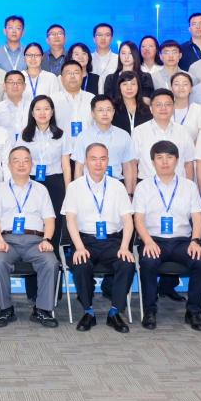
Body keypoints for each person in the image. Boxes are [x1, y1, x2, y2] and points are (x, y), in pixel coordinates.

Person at [132, 140, 201, 331]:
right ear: (152, 161)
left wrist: (196, 241)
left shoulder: (189, 186)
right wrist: (148, 241)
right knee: (148, 262)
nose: (164, 162)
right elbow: (138, 219)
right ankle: (150, 311)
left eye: (169, 157)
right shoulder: (143, 187)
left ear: (177, 160)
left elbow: (198, 218)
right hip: (153, 240)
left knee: (200, 262)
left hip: (183, 241)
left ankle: (193, 312)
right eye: (159, 157)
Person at [63, 143, 136, 333]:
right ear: (86, 161)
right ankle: (88, 312)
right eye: (93, 159)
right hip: (85, 241)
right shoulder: (75, 187)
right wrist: (79, 247)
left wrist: (125, 247)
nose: (98, 163)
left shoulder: (117, 186)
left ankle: (115, 312)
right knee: (81, 263)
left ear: (108, 161)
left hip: (112, 241)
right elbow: (70, 220)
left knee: (126, 263)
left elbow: (128, 220)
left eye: (102, 159)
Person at [0, 146, 60, 328]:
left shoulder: (41, 189)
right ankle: (6, 309)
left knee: (50, 262)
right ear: (9, 165)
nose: (21, 164)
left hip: (35, 241)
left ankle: (42, 310)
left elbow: (49, 219)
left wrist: (47, 239)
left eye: (26, 160)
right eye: (16, 161)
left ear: (31, 164)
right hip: (7, 241)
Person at [68, 96, 136, 193]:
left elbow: (128, 167)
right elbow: (79, 167)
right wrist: (79, 192)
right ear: (93, 114)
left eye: (108, 110)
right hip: (90, 186)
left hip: (116, 185)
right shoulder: (83, 136)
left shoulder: (124, 135)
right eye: (100, 110)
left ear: (113, 112)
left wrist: (129, 193)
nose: (105, 113)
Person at [15, 96, 71, 212]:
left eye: (46, 109)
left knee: (55, 217)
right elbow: (17, 160)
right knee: (33, 217)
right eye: (38, 109)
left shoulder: (61, 135)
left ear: (52, 112)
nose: (42, 113)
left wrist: (68, 192)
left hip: (55, 181)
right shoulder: (24, 135)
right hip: (31, 180)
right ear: (32, 113)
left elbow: (66, 166)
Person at [132, 90, 196, 182]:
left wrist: (189, 186)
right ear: (151, 108)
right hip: (147, 185)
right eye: (158, 105)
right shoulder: (139, 131)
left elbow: (188, 163)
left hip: (178, 185)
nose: (163, 108)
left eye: (168, 104)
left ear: (173, 107)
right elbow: (133, 163)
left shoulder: (183, 131)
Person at [50, 60, 94, 142]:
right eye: (68, 73)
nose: (72, 76)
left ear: (82, 76)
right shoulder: (52, 100)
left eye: (76, 73)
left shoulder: (92, 98)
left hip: (87, 146)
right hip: (60, 146)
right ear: (62, 78)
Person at [0, 70, 31, 141]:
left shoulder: (33, 107)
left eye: (19, 82)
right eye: (11, 82)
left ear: (24, 86)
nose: (15, 85)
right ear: (4, 86)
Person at [171, 72, 201, 143]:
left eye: (185, 84)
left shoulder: (199, 110)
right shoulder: (165, 109)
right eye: (176, 84)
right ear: (171, 88)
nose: (181, 87)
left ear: (191, 88)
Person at [113, 71, 153, 135]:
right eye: (125, 84)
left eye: (133, 84)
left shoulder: (147, 110)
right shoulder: (113, 109)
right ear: (119, 87)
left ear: (138, 87)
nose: (129, 88)